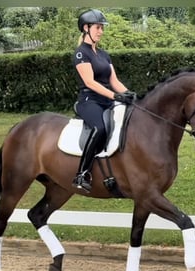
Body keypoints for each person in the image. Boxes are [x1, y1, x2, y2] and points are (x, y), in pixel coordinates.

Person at [72, 8, 136, 193]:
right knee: (99, 128)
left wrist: (131, 95)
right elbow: (90, 82)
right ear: (86, 28)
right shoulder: (80, 54)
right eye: (98, 27)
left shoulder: (104, 54)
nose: (101, 31)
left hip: (107, 101)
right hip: (89, 101)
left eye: (102, 28)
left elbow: (113, 81)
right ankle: (82, 174)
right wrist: (115, 96)